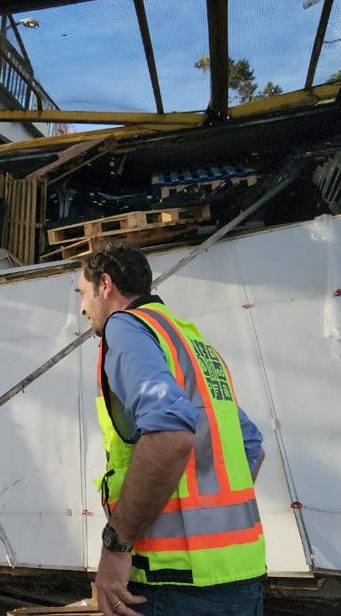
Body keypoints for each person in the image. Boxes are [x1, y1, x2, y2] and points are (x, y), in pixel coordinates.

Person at [75, 241, 267, 616]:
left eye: (82, 293)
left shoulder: (126, 328)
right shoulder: (189, 339)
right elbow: (249, 444)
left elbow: (169, 435)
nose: (82, 308)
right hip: (242, 577)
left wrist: (116, 547)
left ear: (106, 285)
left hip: (174, 586)